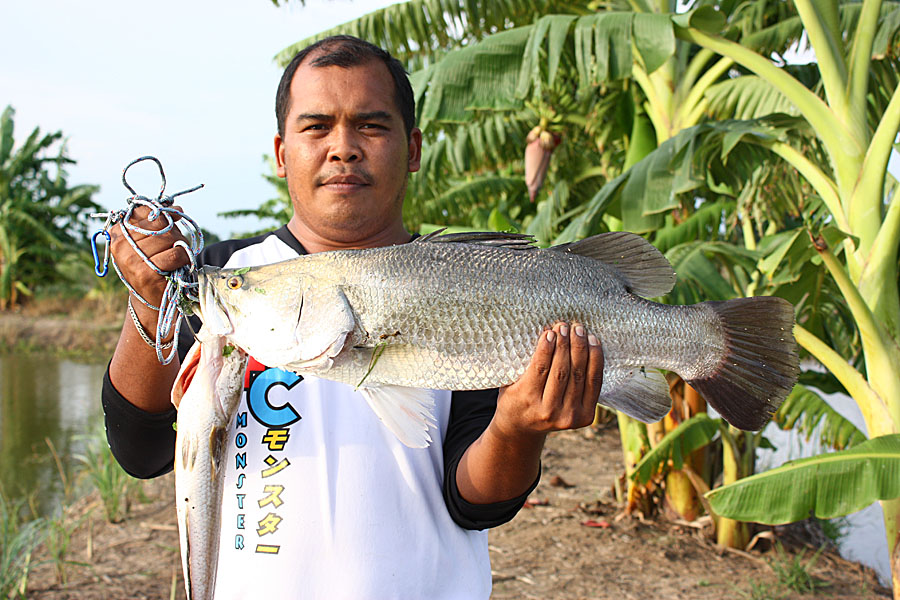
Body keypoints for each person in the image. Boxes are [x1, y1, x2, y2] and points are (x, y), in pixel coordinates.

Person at [102, 35, 604, 598]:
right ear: (281, 151)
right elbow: (140, 449)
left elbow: (476, 501)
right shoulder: (229, 279)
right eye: (316, 127)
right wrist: (148, 295)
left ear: (412, 149)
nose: (343, 148)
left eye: (370, 125)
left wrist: (519, 427)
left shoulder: (473, 283)